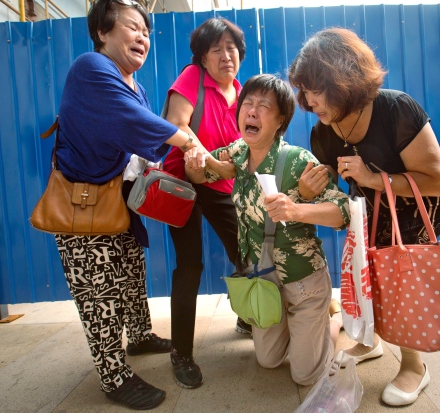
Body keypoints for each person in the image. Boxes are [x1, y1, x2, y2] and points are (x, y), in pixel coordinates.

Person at [288, 27, 440, 406]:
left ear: (343, 78)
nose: (310, 101)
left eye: (317, 89)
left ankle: (415, 366)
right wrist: (317, 183)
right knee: (370, 272)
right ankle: (373, 339)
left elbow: (435, 182)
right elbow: (336, 174)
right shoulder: (323, 130)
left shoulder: (397, 110)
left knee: (399, 276)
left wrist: (370, 177)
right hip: (371, 207)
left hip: (417, 205)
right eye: (305, 91)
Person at [54, 0, 205, 409]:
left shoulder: (132, 83)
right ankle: (114, 376)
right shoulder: (92, 68)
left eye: (147, 32)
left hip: (116, 199)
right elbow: (137, 125)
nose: (143, 37)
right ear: (103, 32)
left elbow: (136, 143)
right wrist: (189, 141)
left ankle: (138, 337)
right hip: (83, 205)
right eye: (133, 27)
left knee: (130, 273)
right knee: (99, 292)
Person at [185, 74, 349, 386]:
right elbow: (203, 174)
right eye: (247, 104)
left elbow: (343, 212)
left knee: (305, 376)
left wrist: (296, 208)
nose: (252, 111)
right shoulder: (237, 152)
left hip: (303, 282)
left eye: (264, 106)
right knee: (268, 361)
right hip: (264, 281)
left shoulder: (297, 160)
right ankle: (300, 330)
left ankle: (335, 319)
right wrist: (194, 159)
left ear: (280, 120)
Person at [161, 17, 249, 390]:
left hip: (221, 185)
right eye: (217, 49)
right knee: (190, 265)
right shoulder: (191, 79)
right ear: (202, 56)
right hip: (183, 182)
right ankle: (181, 352)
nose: (226, 56)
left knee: (245, 250)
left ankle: (247, 316)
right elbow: (174, 125)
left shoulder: (242, 92)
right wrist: (205, 157)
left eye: (231, 48)